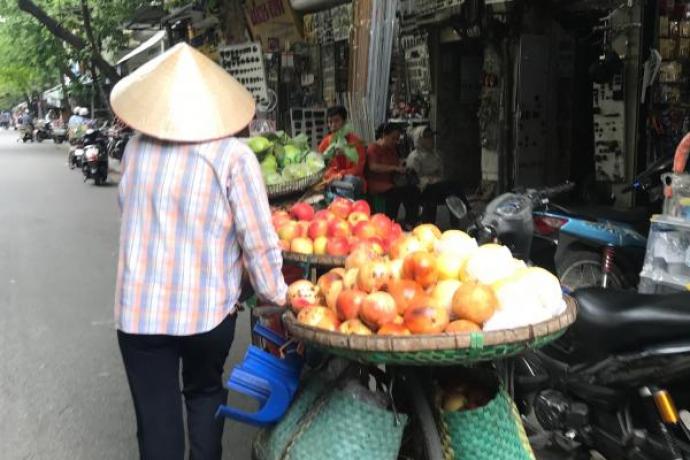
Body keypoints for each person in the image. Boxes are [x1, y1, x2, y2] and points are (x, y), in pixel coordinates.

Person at [110, 43, 287, 460]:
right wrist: (277, 298)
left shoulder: (136, 149)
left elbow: (130, 211)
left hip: (140, 313)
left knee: (156, 421)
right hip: (207, 313)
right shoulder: (233, 156)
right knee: (205, 394)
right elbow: (258, 241)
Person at [407, 126, 470, 224]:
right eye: (427, 137)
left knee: (453, 191)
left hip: (437, 187)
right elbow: (413, 179)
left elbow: (440, 173)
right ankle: (468, 209)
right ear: (420, 140)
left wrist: (436, 179)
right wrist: (429, 179)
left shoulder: (435, 155)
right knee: (450, 187)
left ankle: (456, 223)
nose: (431, 140)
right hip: (423, 190)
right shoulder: (415, 157)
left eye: (431, 137)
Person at [366, 122, 420, 226]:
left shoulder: (392, 149)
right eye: (393, 138)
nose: (396, 141)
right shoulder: (373, 148)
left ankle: (411, 221)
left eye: (397, 139)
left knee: (414, 190)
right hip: (378, 184)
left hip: (391, 183)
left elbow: (396, 163)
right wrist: (394, 168)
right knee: (396, 194)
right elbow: (373, 166)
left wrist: (403, 165)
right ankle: (390, 222)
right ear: (384, 135)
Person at [318, 105, 367, 184]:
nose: (333, 125)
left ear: (344, 122)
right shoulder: (325, 142)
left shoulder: (356, 142)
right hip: (331, 180)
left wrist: (341, 174)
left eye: (336, 121)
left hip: (352, 180)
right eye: (330, 122)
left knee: (351, 180)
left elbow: (358, 169)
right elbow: (320, 165)